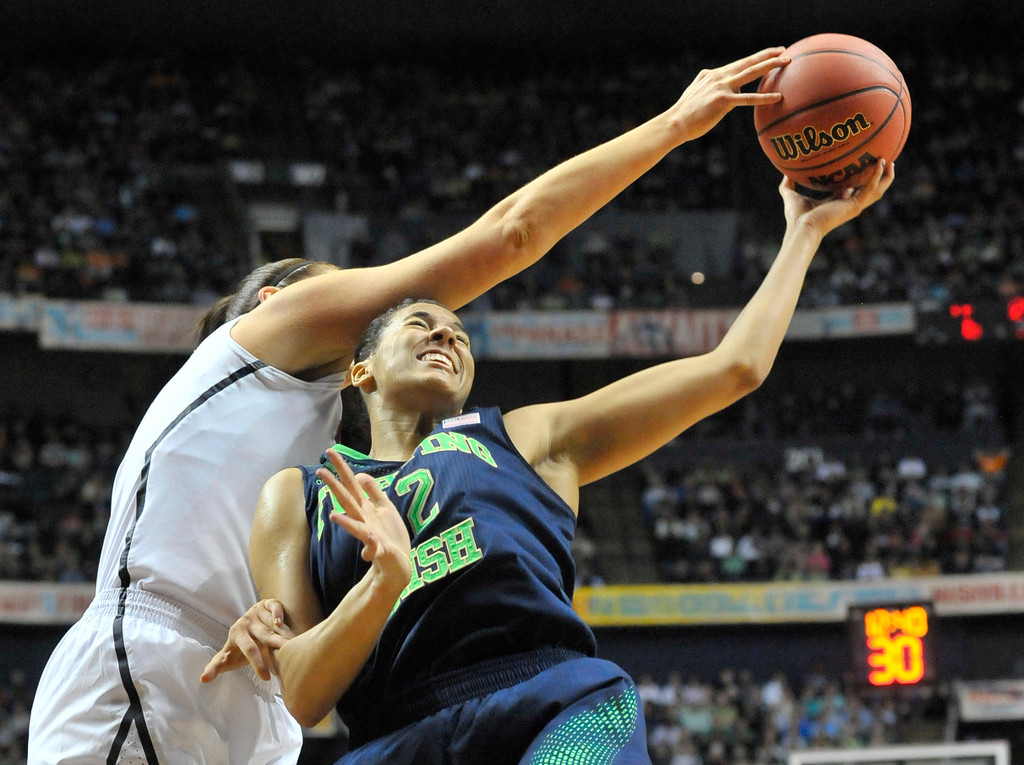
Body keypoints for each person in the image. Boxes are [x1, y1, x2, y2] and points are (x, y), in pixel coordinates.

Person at [27, 48, 796, 765]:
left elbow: (735, 368)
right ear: (280, 299)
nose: (373, 300)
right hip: (162, 658)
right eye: (355, 292)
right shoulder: (268, 339)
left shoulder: (351, 443)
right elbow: (511, 234)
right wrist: (675, 123)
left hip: (261, 698)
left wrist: (270, 615)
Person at [205, 155, 895, 762]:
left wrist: (805, 230)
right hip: (393, 736)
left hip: (551, 703)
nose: (447, 333)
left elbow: (734, 368)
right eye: (422, 324)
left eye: (459, 333)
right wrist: (383, 579)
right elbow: (300, 695)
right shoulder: (300, 494)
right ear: (361, 370)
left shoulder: (524, 438)